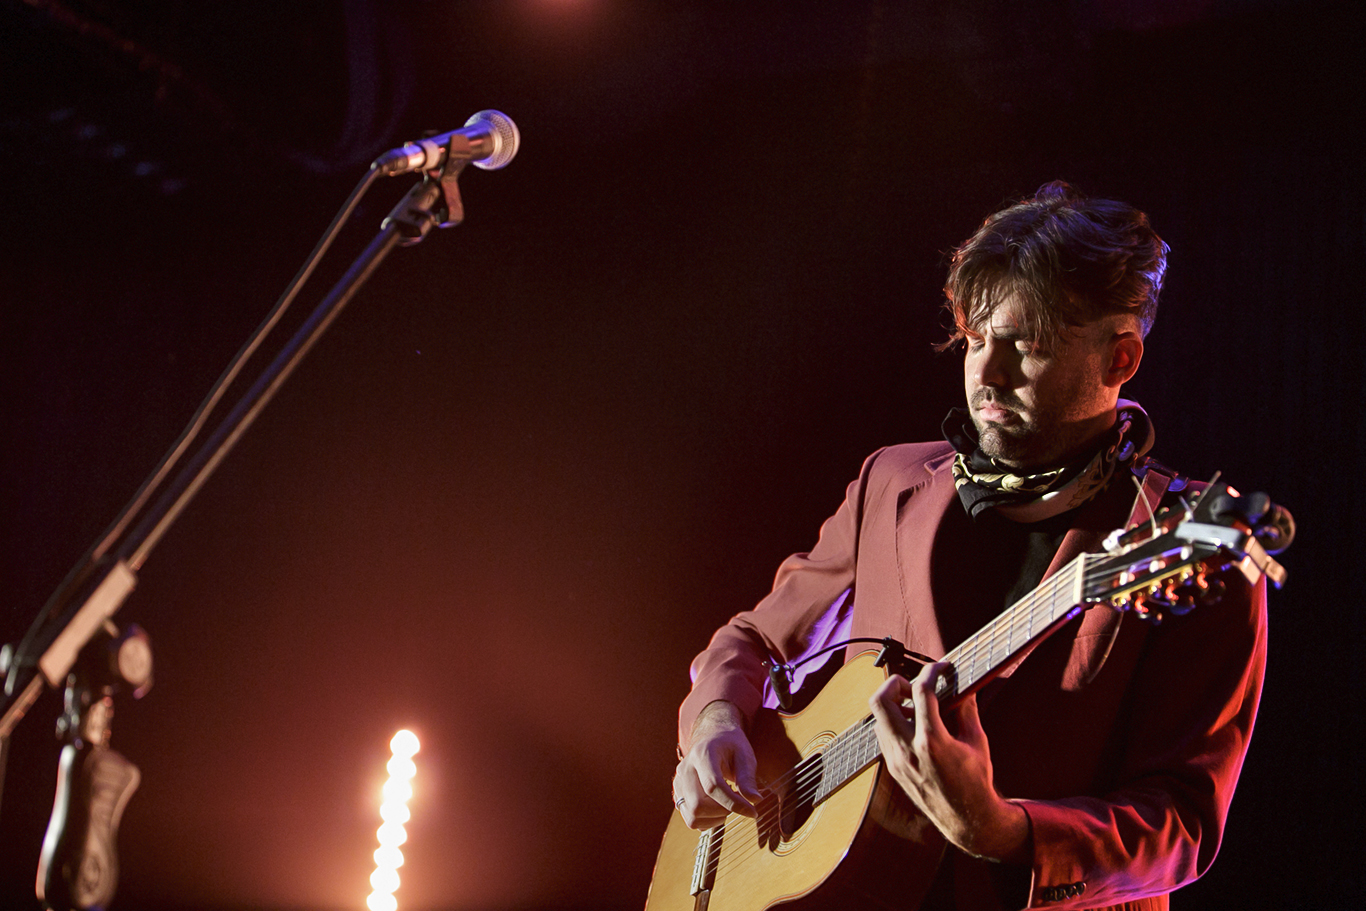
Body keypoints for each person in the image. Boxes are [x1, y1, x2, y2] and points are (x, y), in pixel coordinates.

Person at [669, 182, 1267, 910]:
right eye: (976, 339)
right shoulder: (891, 481)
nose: (987, 373)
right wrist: (717, 718)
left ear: (1120, 358)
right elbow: (755, 639)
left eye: (1027, 346)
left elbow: (1182, 824)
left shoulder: (1182, 540)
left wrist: (1005, 832)